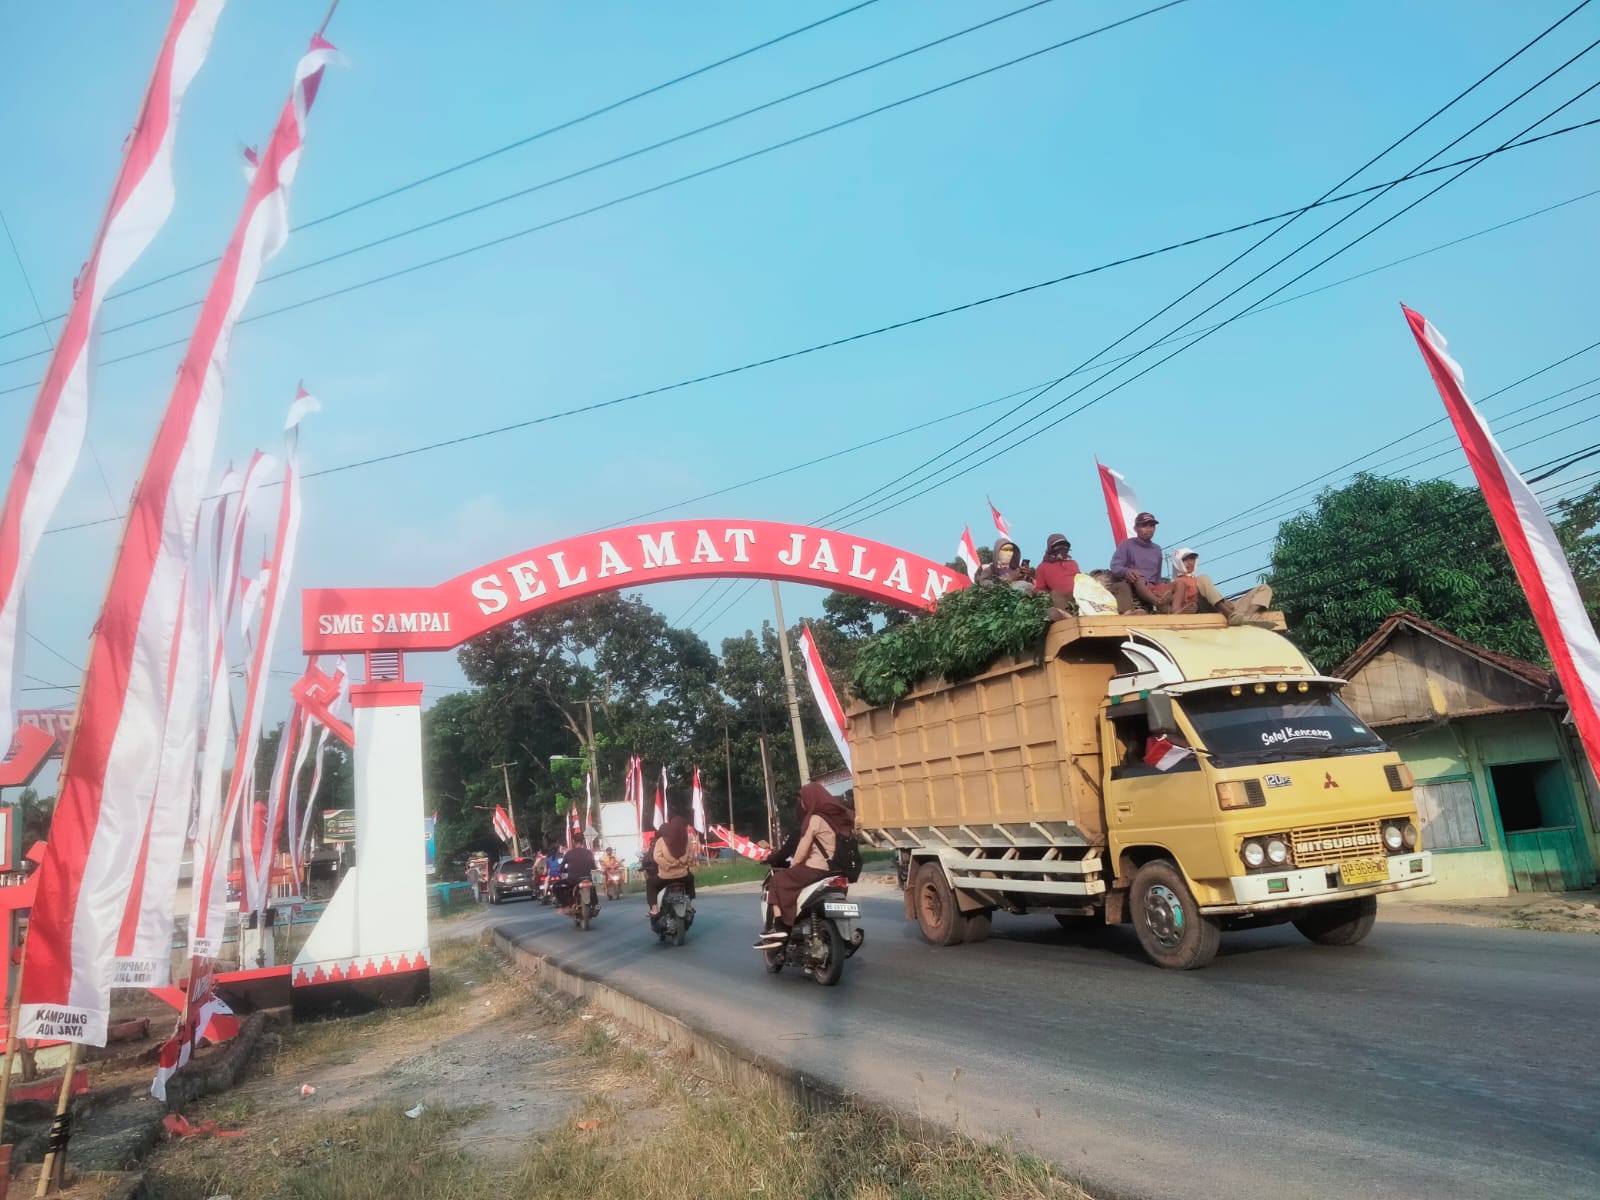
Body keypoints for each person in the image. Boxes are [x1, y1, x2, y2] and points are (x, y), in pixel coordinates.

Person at [756, 783, 854, 948]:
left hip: (816, 869)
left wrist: (794, 866)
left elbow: (802, 849)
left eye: (802, 800)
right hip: (834, 870)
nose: (801, 804)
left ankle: (780, 926)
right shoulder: (833, 819)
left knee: (778, 880)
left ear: (810, 799)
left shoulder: (815, 819)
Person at [1168, 547, 1276, 627]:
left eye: (1192, 559)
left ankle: (1247, 617)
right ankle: (1230, 614)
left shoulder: (1195, 578)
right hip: (1209, 609)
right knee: (1203, 577)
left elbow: (1212, 594)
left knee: (1265, 588)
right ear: (1177, 562)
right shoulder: (1177, 583)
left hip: (1228, 607)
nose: (1190, 563)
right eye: (1185, 560)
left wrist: (1225, 603)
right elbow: (1176, 611)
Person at [1109, 512, 1168, 613]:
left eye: (1152, 526)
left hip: (1152, 587)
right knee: (1138, 577)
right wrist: (1126, 571)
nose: (1148, 529)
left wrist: (1161, 588)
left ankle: (1176, 611)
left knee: (1179, 584)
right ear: (1136, 528)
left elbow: (1157, 577)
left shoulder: (1157, 549)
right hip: (1134, 584)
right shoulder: (1126, 545)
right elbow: (1115, 566)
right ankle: (1158, 603)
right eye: (1144, 526)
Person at [647, 811, 700, 914]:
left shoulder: (661, 841)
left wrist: (668, 865)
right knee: (690, 879)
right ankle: (689, 905)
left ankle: (654, 909)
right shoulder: (687, 840)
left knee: (651, 883)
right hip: (682, 875)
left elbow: (657, 857)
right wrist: (683, 864)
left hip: (665, 877)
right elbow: (691, 857)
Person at [1031, 533, 1081, 615]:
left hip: (1079, 595)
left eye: (1064, 546)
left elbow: (1080, 579)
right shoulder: (1042, 567)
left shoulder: (1073, 563)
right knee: (1055, 594)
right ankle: (1065, 617)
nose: (1061, 549)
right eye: (1058, 546)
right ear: (1051, 548)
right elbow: (1040, 588)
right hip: (1061, 598)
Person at [558, 834, 598, 910]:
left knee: (557, 886)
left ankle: (566, 905)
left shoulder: (568, 853)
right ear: (583, 841)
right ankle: (595, 904)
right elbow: (594, 867)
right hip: (587, 878)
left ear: (573, 841)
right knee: (593, 886)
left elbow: (561, 868)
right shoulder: (589, 853)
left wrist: (565, 870)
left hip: (573, 879)